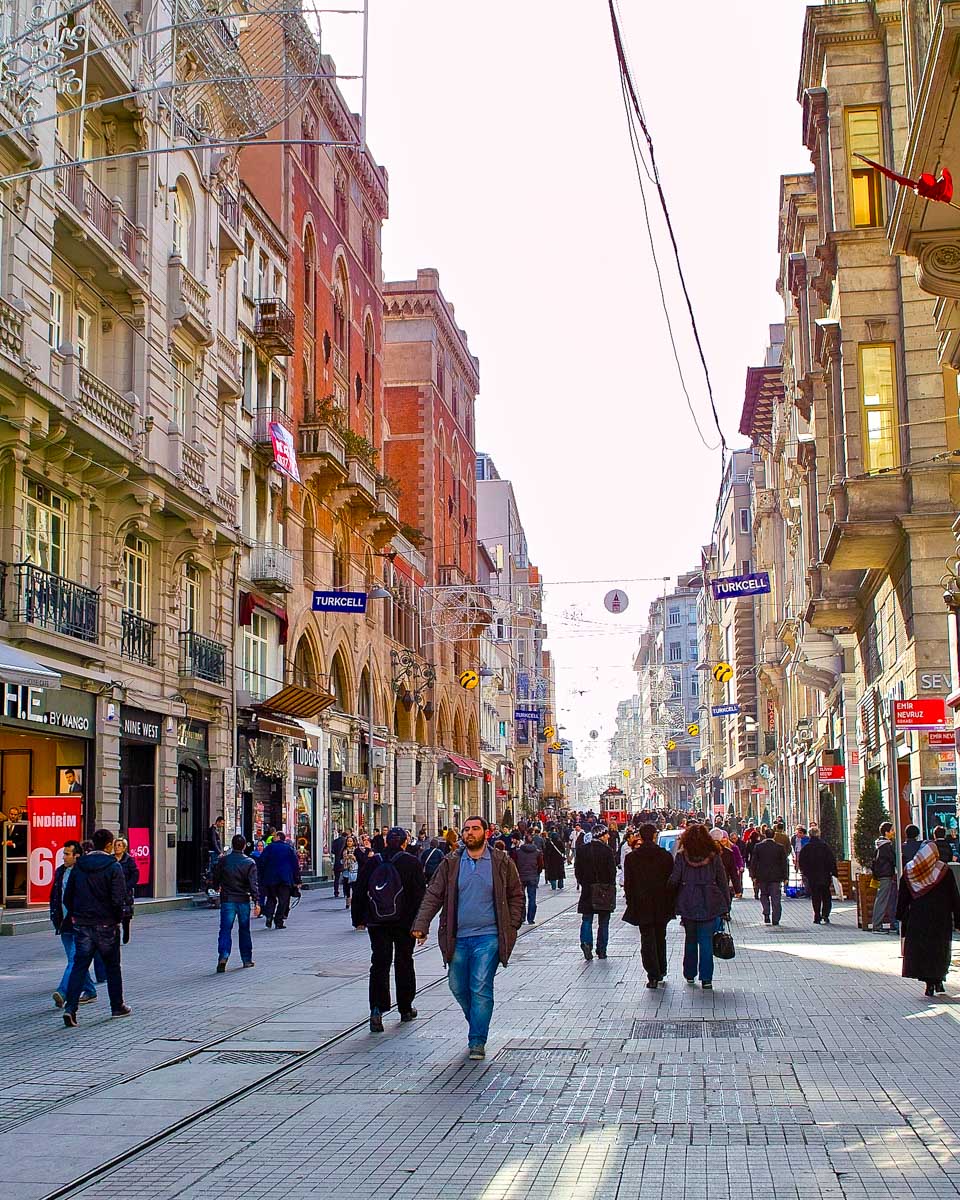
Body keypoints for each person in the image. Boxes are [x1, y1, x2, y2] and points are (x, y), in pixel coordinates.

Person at [412, 816, 524, 1061]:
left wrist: (512, 924)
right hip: (458, 937)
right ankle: (477, 1019)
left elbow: (516, 894)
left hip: (490, 936)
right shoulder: (451, 863)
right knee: (457, 985)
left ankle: (477, 1041)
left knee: (481, 986)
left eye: (475, 829)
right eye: (466, 829)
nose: (470, 833)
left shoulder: (501, 861)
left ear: (486, 833)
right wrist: (421, 925)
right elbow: (433, 895)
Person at [352, 826, 426, 1031]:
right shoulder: (412, 862)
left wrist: (358, 918)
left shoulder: (373, 861)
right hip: (404, 922)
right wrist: (421, 924)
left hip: (377, 922)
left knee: (379, 964)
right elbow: (421, 895)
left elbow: (359, 889)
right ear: (404, 843)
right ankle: (405, 1007)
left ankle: (377, 1009)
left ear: (386, 843)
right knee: (404, 961)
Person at [61, 828, 130, 1026]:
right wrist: (117, 919)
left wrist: (76, 915)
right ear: (109, 845)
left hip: (83, 924)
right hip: (106, 924)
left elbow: (68, 896)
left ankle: (71, 1008)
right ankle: (117, 1006)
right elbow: (119, 898)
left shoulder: (79, 866)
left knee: (79, 966)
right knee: (112, 967)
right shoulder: (113, 866)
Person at [669, 823, 730, 990]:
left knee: (690, 939)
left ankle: (689, 973)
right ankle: (706, 978)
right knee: (706, 940)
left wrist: (671, 898)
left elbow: (675, 879)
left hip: (688, 900)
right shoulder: (714, 855)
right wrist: (726, 904)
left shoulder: (682, 856)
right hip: (710, 900)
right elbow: (722, 880)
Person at [896, 839, 960, 997]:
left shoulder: (910, 870)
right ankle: (938, 979)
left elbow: (903, 897)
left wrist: (900, 915)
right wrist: (958, 918)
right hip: (940, 918)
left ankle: (929, 984)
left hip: (918, 918)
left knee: (923, 951)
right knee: (939, 950)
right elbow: (954, 896)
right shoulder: (943, 871)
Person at [622, 823, 675, 988]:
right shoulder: (665, 856)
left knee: (647, 939)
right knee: (660, 936)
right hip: (662, 903)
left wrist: (631, 902)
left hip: (641, 903)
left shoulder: (632, 858)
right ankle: (661, 969)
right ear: (654, 836)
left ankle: (652, 974)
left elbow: (628, 884)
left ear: (640, 837)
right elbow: (671, 881)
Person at [50, 840, 97, 1009]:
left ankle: (63, 992)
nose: (64, 857)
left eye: (67, 854)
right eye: (63, 853)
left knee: (73, 959)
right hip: (64, 922)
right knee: (77, 960)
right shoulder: (60, 872)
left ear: (77, 856)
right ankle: (90, 990)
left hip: (79, 922)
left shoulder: (83, 873)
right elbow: (55, 895)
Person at [213, 833, 260, 971]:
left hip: (228, 899)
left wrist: (217, 887)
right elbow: (253, 884)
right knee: (244, 930)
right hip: (243, 899)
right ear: (245, 846)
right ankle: (246, 959)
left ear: (232, 845)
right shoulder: (249, 862)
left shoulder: (223, 861)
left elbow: (216, 876)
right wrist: (257, 901)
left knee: (225, 929)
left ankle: (223, 955)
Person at [574, 825, 617, 961]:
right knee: (603, 921)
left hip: (587, 889)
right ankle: (602, 949)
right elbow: (612, 872)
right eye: (606, 834)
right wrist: (610, 886)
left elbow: (578, 871)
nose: (608, 837)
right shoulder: (607, 851)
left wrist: (583, 882)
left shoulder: (582, 850)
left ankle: (586, 943)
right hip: (603, 890)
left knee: (587, 919)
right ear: (601, 835)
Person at [257, 830, 301, 929]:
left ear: (278, 837)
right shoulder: (289, 849)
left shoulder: (269, 848)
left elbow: (261, 862)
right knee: (283, 900)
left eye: (275, 836)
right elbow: (295, 865)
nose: (273, 837)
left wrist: (262, 876)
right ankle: (278, 921)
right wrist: (297, 880)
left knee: (271, 898)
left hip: (270, 878)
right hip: (284, 879)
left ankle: (269, 916)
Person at [797, 824, 837, 925]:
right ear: (818, 835)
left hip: (812, 876)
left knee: (816, 896)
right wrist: (834, 873)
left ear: (809, 835)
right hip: (825, 875)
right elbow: (831, 860)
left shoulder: (807, 848)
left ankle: (817, 916)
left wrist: (805, 873)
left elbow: (802, 862)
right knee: (826, 896)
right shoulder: (825, 847)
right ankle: (825, 915)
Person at [751, 826, 790, 926]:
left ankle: (766, 913)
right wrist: (785, 877)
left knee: (764, 895)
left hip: (762, 876)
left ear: (765, 835)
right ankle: (776, 918)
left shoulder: (758, 847)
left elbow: (754, 862)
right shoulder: (779, 847)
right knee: (775, 897)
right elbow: (784, 863)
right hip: (776, 877)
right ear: (774, 835)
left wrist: (754, 875)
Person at [871, 821, 898, 933]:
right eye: (891, 830)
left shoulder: (880, 844)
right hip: (885, 875)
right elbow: (893, 859)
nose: (893, 832)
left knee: (883, 899)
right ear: (886, 832)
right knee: (882, 900)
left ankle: (880, 924)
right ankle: (877, 926)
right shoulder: (886, 846)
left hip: (881, 874)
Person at [112, 836, 139, 945]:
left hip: (125, 891)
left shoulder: (129, 860)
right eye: (115, 845)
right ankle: (115, 935)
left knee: (126, 915)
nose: (117, 848)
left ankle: (126, 932)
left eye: (119, 846)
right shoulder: (111, 859)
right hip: (113, 891)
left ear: (124, 848)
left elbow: (135, 875)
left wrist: (127, 886)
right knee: (114, 914)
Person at [513, 831, 543, 925]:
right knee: (532, 898)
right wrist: (536, 873)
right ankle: (531, 918)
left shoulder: (518, 852)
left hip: (520, 877)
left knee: (521, 898)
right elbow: (541, 865)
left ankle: (522, 917)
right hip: (532, 877)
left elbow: (514, 864)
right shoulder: (537, 852)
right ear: (533, 842)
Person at [341, 835, 359, 908]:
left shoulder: (356, 850)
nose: (349, 842)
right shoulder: (344, 850)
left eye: (351, 841)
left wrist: (353, 857)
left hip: (354, 870)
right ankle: (348, 902)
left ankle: (354, 901)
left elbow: (359, 860)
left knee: (354, 886)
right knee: (346, 887)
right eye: (348, 841)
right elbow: (341, 860)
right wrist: (345, 858)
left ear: (353, 842)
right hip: (346, 870)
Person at [331, 829, 347, 898]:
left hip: (337, 861)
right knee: (345, 878)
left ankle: (336, 892)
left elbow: (332, 851)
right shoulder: (345, 842)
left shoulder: (335, 841)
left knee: (336, 878)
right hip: (343, 861)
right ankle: (345, 892)